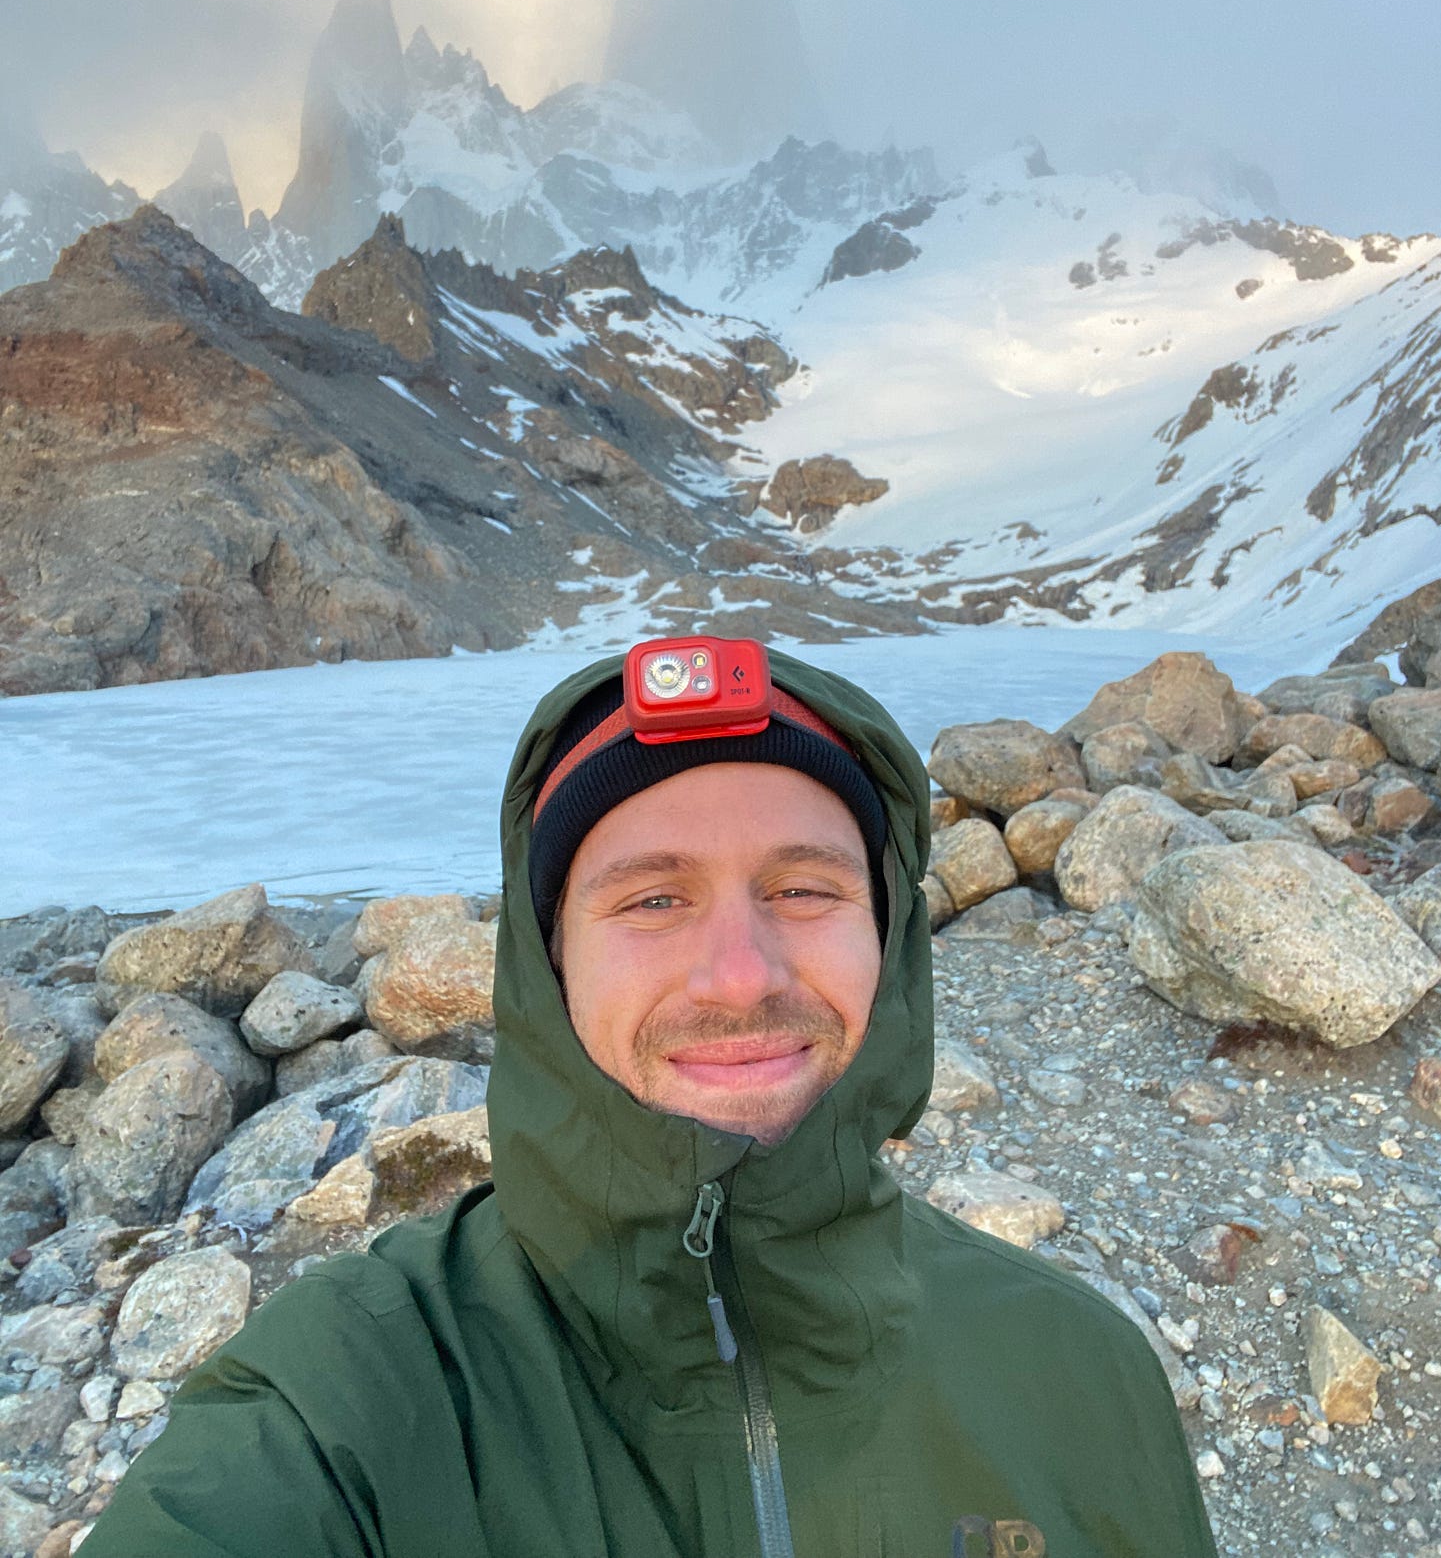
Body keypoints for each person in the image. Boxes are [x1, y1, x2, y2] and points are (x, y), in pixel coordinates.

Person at [82, 639, 1217, 1558]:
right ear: (547, 962)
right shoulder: (346, 1406)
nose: (742, 973)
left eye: (806, 887)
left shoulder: (1077, 1372)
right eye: (653, 899)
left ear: (892, 941)